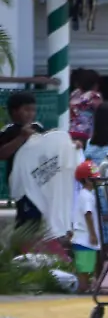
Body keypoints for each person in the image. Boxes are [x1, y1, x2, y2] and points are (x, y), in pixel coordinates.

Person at [0, 92, 47, 229]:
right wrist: (21, 138)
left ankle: (30, 245)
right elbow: (2, 154)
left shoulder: (38, 128)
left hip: (37, 179)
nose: (30, 114)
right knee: (25, 216)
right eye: (26, 110)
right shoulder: (9, 131)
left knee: (36, 216)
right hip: (20, 181)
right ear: (14, 111)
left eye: (33, 110)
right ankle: (22, 245)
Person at [72, 161, 101, 292]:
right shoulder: (86, 196)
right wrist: (93, 234)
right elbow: (88, 214)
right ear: (85, 180)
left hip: (85, 238)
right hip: (85, 238)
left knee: (87, 267)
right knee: (84, 269)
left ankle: (85, 288)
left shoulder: (89, 194)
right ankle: (81, 289)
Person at [69, 68, 103, 143]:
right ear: (95, 84)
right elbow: (101, 111)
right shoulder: (94, 96)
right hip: (86, 132)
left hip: (72, 129)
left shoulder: (74, 94)